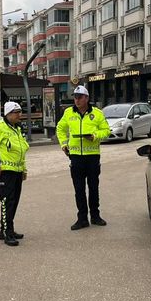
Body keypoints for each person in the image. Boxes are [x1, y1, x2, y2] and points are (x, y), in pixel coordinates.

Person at [56, 85, 111, 230]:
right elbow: (60, 129)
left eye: (80, 97)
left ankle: (95, 216)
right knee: (79, 189)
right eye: (75, 97)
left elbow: (106, 130)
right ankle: (82, 218)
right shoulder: (68, 113)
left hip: (92, 156)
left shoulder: (97, 113)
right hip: (75, 157)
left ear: (87, 98)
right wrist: (63, 144)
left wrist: (94, 136)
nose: (77, 100)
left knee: (93, 188)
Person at [0, 101, 29, 247]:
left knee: (14, 201)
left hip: (17, 171)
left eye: (20, 112)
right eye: (17, 112)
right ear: (8, 114)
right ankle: (7, 232)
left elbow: (21, 152)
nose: (19, 115)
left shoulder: (17, 128)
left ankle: (7, 229)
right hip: (5, 172)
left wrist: (24, 169)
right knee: (6, 202)